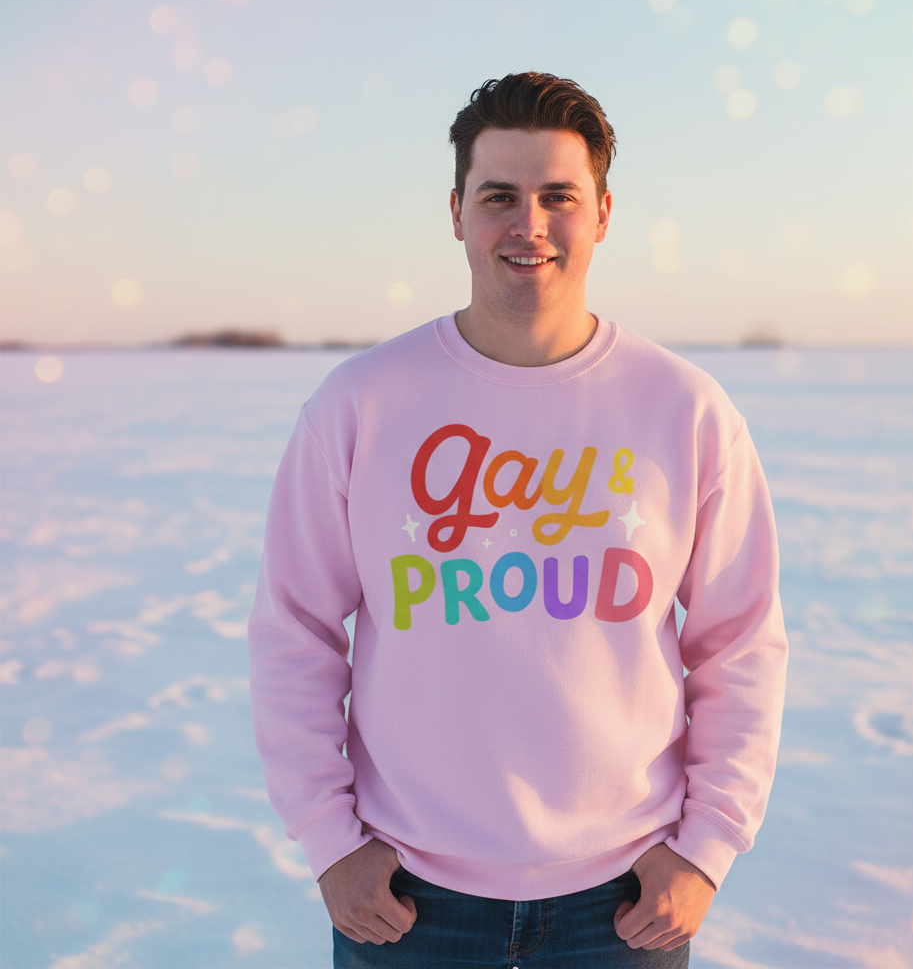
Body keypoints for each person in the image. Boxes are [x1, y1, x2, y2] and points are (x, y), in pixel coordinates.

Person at [248, 72, 788, 968]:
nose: (528, 224)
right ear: (456, 211)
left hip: (622, 906)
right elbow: (294, 630)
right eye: (499, 195)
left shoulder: (684, 410)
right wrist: (328, 839)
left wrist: (707, 848)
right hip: (407, 903)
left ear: (604, 213)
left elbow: (740, 642)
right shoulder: (362, 405)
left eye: (558, 197)